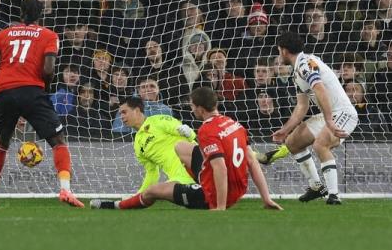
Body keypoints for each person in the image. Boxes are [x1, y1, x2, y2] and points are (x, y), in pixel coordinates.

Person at [92, 87, 282, 211]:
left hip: (212, 194)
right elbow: (251, 161)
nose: (122, 117)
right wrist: (266, 198)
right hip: (236, 187)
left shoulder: (161, 121)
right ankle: (198, 180)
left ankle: (114, 205)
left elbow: (218, 165)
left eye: (124, 112)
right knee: (180, 148)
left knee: (153, 192)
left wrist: (220, 208)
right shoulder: (232, 123)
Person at [0, 0, 84, 208]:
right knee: (58, 140)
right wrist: (42, 90)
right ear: (40, 15)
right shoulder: (49, 35)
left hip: (4, 91)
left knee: (2, 141)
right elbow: (48, 69)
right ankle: (66, 190)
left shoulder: (2, 34)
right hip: (32, 91)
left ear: (20, 13)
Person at [259, 32, 358, 205]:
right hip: (329, 114)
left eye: (278, 50)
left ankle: (333, 196)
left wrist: (329, 121)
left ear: (283, 51)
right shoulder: (298, 71)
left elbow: (320, 89)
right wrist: (285, 130)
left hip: (343, 113)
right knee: (292, 143)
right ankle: (316, 186)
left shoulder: (306, 65)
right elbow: (302, 107)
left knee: (320, 144)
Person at [107, 97, 197, 197]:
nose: (122, 117)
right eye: (120, 114)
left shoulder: (159, 120)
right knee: (158, 191)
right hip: (180, 181)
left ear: (136, 111)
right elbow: (152, 173)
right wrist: (139, 195)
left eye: (124, 112)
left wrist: (190, 133)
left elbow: (187, 133)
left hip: (198, 169)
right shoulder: (137, 144)